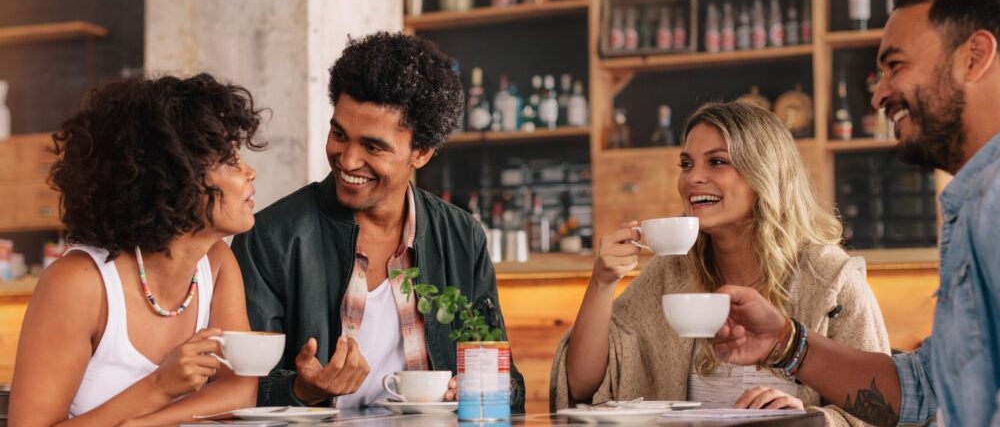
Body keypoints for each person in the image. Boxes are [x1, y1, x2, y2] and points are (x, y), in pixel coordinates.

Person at [711, 0, 1000, 426]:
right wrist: (785, 342)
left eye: (895, 66)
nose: (879, 96)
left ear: (975, 57)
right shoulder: (988, 197)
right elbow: (921, 390)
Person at [231, 32, 525, 410]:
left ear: (421, 153)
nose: (348, 160)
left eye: (373, 146)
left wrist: (483, 389)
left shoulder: (462, 236)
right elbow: (236, 392)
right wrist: (303, 390)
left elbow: (509, 390)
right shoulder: (271, 237)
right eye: (339, 134)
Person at [550, 101, 891, 425]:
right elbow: (582, 386)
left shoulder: (831, 279)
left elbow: (883, 412)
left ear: (764, 175)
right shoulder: (671, 273)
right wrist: (601, 282)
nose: (692, 178)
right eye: (686, 164)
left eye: (716, 162)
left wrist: (809, 420)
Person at [9, 73, 264, 425]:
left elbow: (239, 392)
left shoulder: (217, 263)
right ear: (174, 177)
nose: (249, 173)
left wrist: (145, 423)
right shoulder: (80, 283)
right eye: (229, 160)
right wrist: (160, 386)